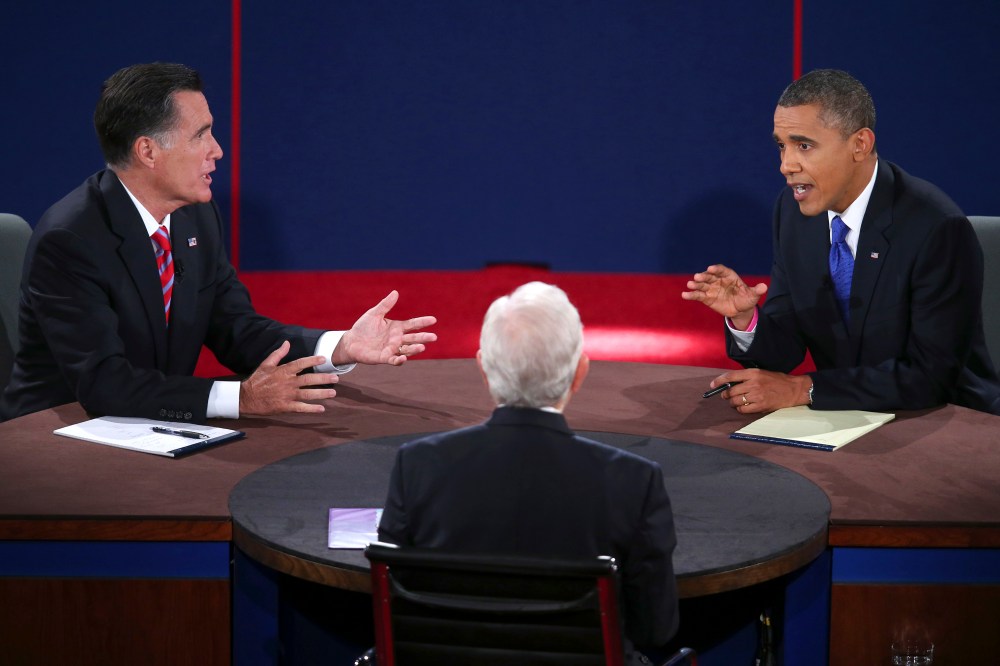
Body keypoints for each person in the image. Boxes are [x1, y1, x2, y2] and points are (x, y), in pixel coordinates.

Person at [0, 62, 436, 424]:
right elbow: (104, 384)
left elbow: (235, 329)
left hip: (149, 424)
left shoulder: (195, 217)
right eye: (200, 135)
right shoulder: (71, 239)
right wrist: (240, 399)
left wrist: (339, 346)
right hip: (55, 433)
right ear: (148, 152)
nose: (217, 150)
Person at [378, 282, 679, 663]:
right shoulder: (634, 480)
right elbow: (655, 628)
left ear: (484, 369)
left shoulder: (418, 465)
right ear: (579, 373)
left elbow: (393, 601)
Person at [682, 69, 1000, 416]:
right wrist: (746, 319)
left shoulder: (935, 227)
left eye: (804, 146)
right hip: (845, 413)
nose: (786, 165)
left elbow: (930, 377)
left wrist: (804, 388)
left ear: (860, 145)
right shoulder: (793, 213)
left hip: (945, 418)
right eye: (781, 146)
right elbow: (784, 351)